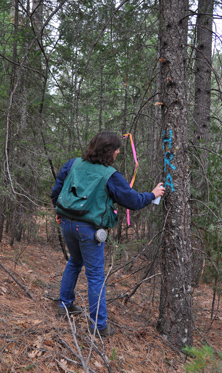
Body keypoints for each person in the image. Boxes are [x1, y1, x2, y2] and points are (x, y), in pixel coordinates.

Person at [51, 131, 165, 337]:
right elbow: (133, 201)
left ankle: (65, 306)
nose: (119, 152)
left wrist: (59, 212)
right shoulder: (110, 175)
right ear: (108, 151)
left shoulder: (73, 164)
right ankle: (98, 326)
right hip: (89, 230)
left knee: (74, 262)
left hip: (67, 224)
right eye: (116, 149)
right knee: (95, 275)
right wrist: (153, 194)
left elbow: (56, 191)